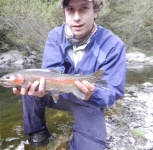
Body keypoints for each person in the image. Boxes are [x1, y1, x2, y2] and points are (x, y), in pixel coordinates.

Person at [13, 0, 126, 149]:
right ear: (65, 12)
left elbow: (113, 91)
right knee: (28, 86)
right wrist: (42, 89)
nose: (76, 17)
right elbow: (51, 71)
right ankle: (38, 135)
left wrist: (92, 94)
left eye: (84, 8)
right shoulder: (55, 36)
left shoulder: (113, 45)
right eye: (70, 10)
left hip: (89, 101)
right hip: (60, 93)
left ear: (96, 11)